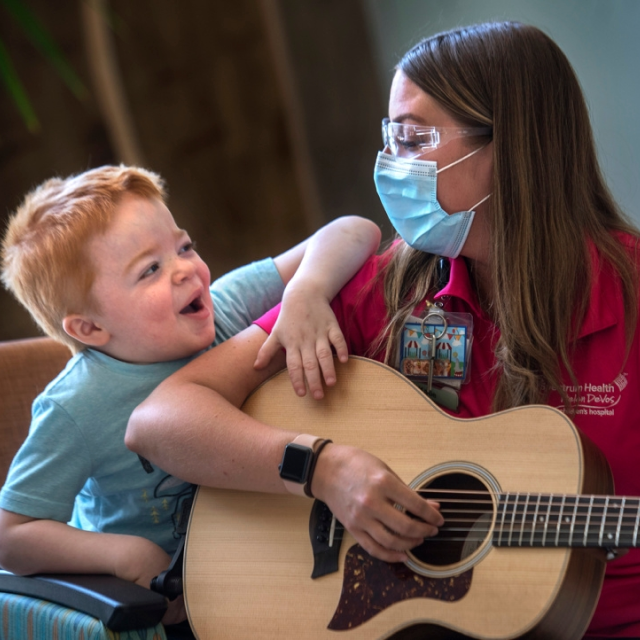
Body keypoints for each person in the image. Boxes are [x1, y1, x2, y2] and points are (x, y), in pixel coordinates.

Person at [125, 22, 640, 638]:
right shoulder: (387, 289)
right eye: (389, 136)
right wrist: (321, 469)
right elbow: (159, 422)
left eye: (413, 138)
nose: (392, 165)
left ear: (515, 146)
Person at [0, 164, 381, 630]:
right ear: (90, 328)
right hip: (156, 608)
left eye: (184, 247)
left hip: (264, 565)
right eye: (151, 270)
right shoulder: (76, 407)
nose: (185, 270)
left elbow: (356, 231)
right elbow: (10, 535)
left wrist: (306, 289)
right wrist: (121, 555)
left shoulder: (226, 307)